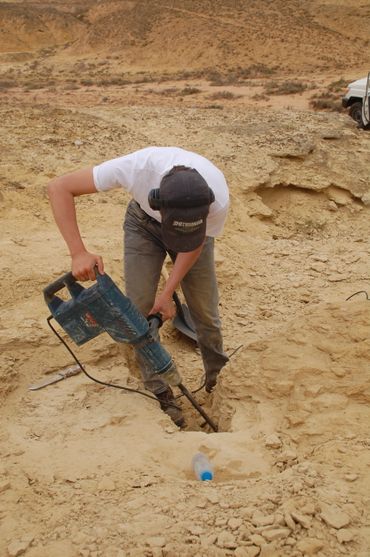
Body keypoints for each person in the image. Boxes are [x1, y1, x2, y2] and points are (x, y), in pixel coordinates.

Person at [47, 146, 229, 427]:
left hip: (197, 236)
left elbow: (195, 245)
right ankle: (160, 391)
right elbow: (59, 187)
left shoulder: (217, 201)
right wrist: (78, 253)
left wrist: (168, 293)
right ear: (157, 201)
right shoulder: (137, 169)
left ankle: (218, 382)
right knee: (139, 310)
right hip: (143, 225)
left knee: (205, 309)